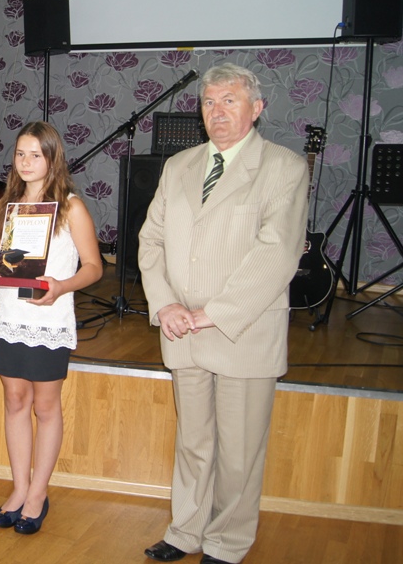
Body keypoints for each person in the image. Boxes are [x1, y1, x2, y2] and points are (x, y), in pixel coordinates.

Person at [137, 64, 308, 564]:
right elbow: (151, 240)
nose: (218, 112)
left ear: (257, 109)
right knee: (194, 442)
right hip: (182, 328)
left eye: (230, 101)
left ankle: (227, 542)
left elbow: (277, 252)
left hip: (242, 330)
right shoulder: (179, 166)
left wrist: (214, 313)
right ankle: (185, 531)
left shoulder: (284, 167)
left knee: (239, 451)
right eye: (209, 102)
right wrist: (165, 303)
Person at [0, 121, 103, 535]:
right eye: (20, 153)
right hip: (9, 316)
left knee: (46, 406)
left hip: (48, 318)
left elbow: (94, 267)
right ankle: (19, 488)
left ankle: (38, 493)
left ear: (53, 158)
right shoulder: (6, 205)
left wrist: (61, 286)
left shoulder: (71, 207)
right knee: (15, 400)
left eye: (36, 154)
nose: (26, 161)